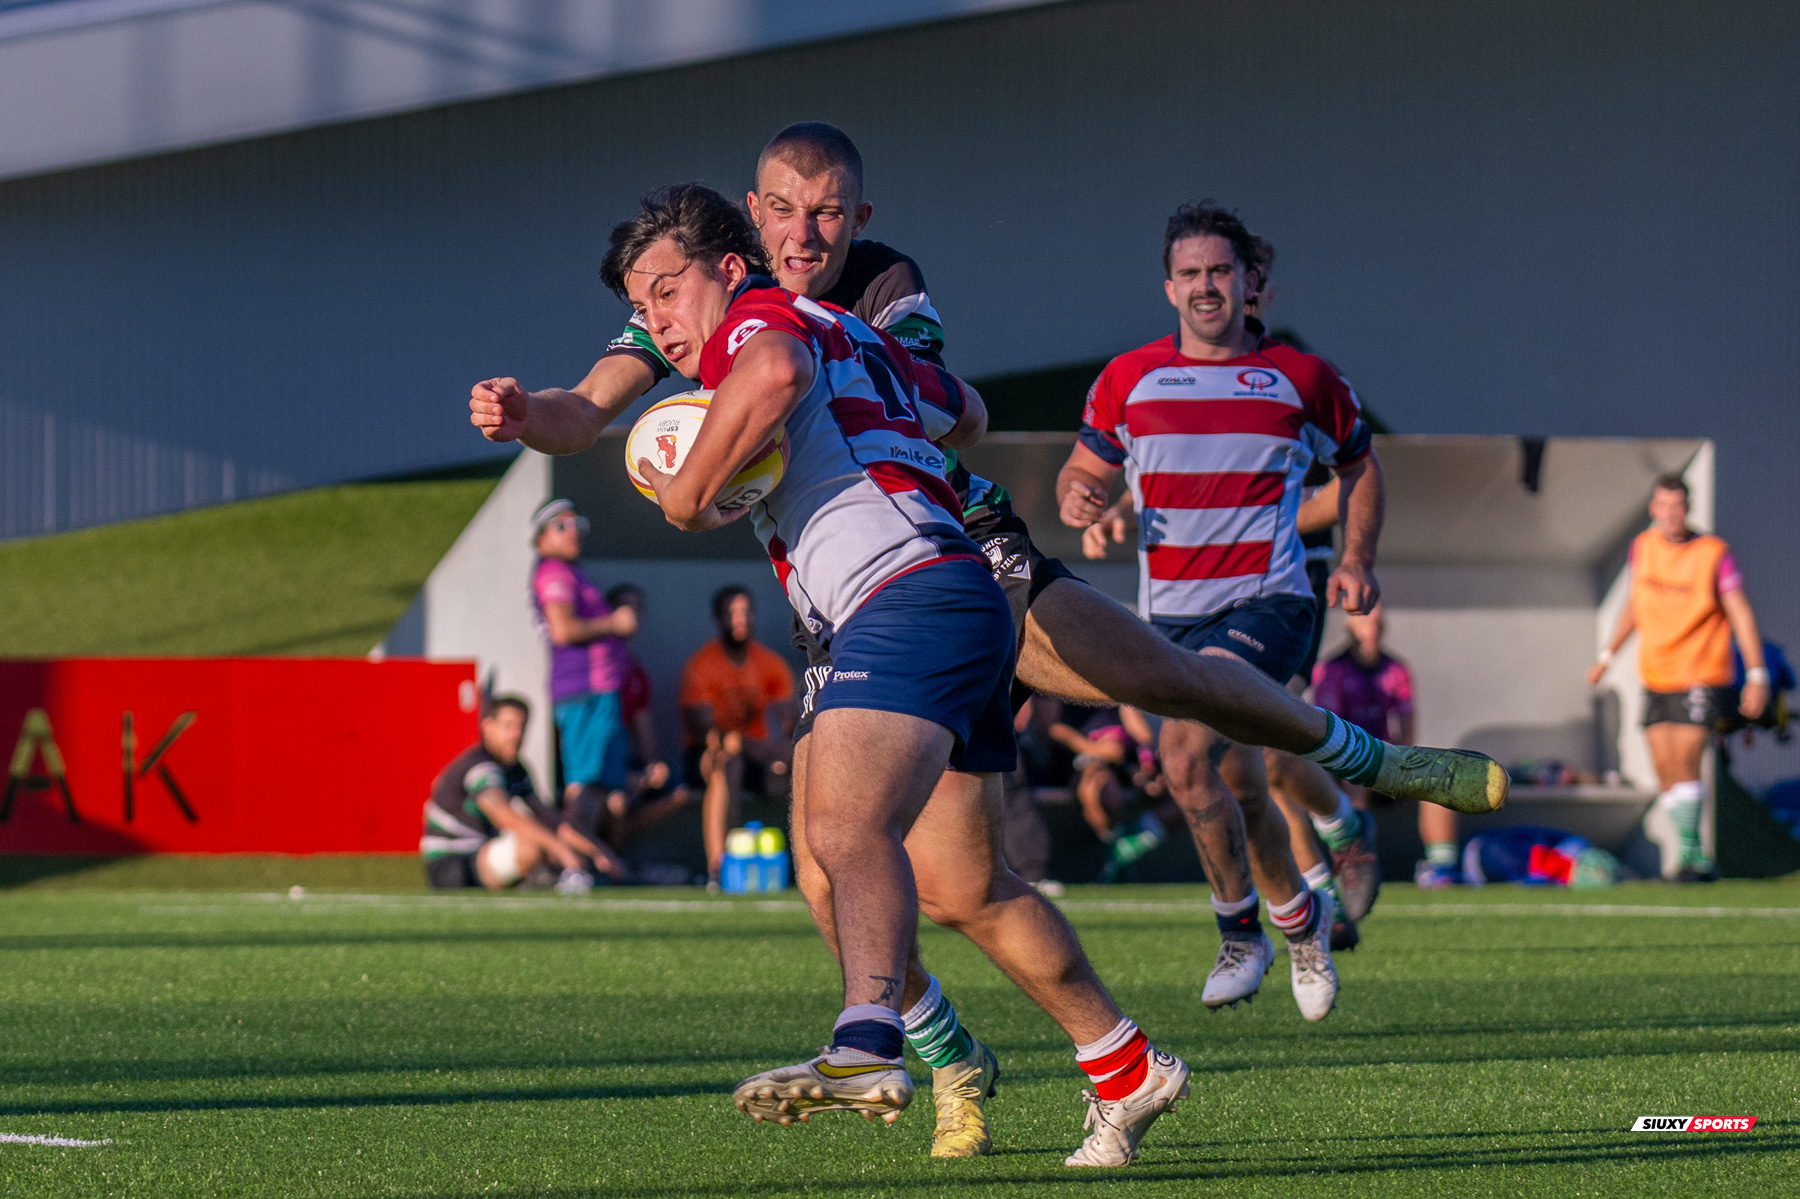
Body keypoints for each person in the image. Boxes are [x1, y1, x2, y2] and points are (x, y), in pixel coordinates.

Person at [470, 125, 1505, 1160]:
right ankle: (1094, 1059)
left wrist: (705, 481)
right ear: (755, 211)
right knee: (932, 880)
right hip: (870, 597)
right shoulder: (700, 315)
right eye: (784, 208)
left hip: (945, 562)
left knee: (1107, 707)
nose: (805, 230)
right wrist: (528, 415)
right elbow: (597, 407)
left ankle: (877, 1042)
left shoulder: (828, 303)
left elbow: (937, 405)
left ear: (856, 222)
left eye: (827, 212)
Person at [1057, 201, 1392, 1020]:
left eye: (1220, 271)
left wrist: (1355, 558)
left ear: (1251, 284)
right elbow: (1085, 471)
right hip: (1167, 615)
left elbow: (1362, 466)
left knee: (1184, 755)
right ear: (1168, 286)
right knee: (1242, 783)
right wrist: (1084, 496)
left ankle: (1240, 930)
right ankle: (1301, 924)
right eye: (1191, 273)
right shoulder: (1128, 378)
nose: (1206, 286)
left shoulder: (1302, 379)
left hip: (1268, 603)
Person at [1588, 473, 1770, 880]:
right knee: (1665, 765)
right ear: (1654, 509)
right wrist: (1607, 654)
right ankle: (1689, 852)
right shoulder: (1643, 547)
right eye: (1663, 507)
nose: (1671, 515)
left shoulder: (1712, 553)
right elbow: (1635, 603)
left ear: (1687, 509)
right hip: (1656, 673)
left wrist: (1757, 674)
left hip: (1700, 672)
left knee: (1687, 760)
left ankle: (1694, 857)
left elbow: (1740, 613)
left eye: (1678, 506)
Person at [421, 694, 624, 889]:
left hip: (480, 855)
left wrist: (598, 851)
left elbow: (549, 817)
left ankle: (554, 877)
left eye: (521, 726)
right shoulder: (479, 766)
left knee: (544, 837)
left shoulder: (515, 769)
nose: (516, 734)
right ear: (488, 727)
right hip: (452, 862)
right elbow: (504, 816)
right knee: (533, 845)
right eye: (508, 726)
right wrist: (561, 851)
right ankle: (545, 881)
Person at [1310, 606, 1448, 883]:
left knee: (1441, 774)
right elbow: (1328, 729)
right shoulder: (1333, 669)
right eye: (1365, 623)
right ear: (1350, 628)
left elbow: (1406, 725)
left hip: (1383, 759)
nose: (1372, 629)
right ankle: (1355, 863)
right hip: (1342, 764)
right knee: (1356, 778)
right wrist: (1360, 759)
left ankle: (1442, 866)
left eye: (1377, 623)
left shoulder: (1396, 669)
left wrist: (1404, 763)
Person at [528, 500, 640, 835]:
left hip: (599, 692)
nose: (573, 531)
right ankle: (575, 867)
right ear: (540, 539)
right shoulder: (553, 571)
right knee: (583, 784)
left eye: (577, 523)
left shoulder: (571, 571)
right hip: (583, 692)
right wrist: (616, 622)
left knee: (605, 789)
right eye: (561, 526)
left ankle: (597, 864)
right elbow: (563, 629)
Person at [679, 584, 797, 889]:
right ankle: (720, 868)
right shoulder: (702, 665)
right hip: (708, 756)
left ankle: (802, 867)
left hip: (756, 753)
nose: (741, 620)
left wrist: (782, 751)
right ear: (718, 619)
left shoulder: (769, 662)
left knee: (792, 770)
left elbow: (792, 720)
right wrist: (746, 745)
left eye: (746, 612)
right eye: (732, 613)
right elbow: (707, 734)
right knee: (727, 763)